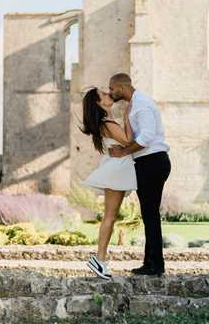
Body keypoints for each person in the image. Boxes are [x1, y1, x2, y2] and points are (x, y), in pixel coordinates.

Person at [108, 73, 171, 276]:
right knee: (149, 214)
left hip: (152, 162)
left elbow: (147, 136)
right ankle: (151, 263)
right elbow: (136, 137)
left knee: (150, 215)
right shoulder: (134, 105)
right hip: (147, 162)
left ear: (122, 86)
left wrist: (123, 151)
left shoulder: (142, 104)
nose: (110, 92)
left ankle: (156, 265)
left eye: (112, 88)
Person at [80, 87, 137, 279]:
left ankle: (100, 259)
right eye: (103, 94)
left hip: (116, 169)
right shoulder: (108, 122)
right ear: (98, 103)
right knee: (110, 217)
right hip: (116, 171)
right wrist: (127, 116)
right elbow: (129, 141)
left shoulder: (105, 123)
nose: (108, 94)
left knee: (110, 217)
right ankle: (99, 259)